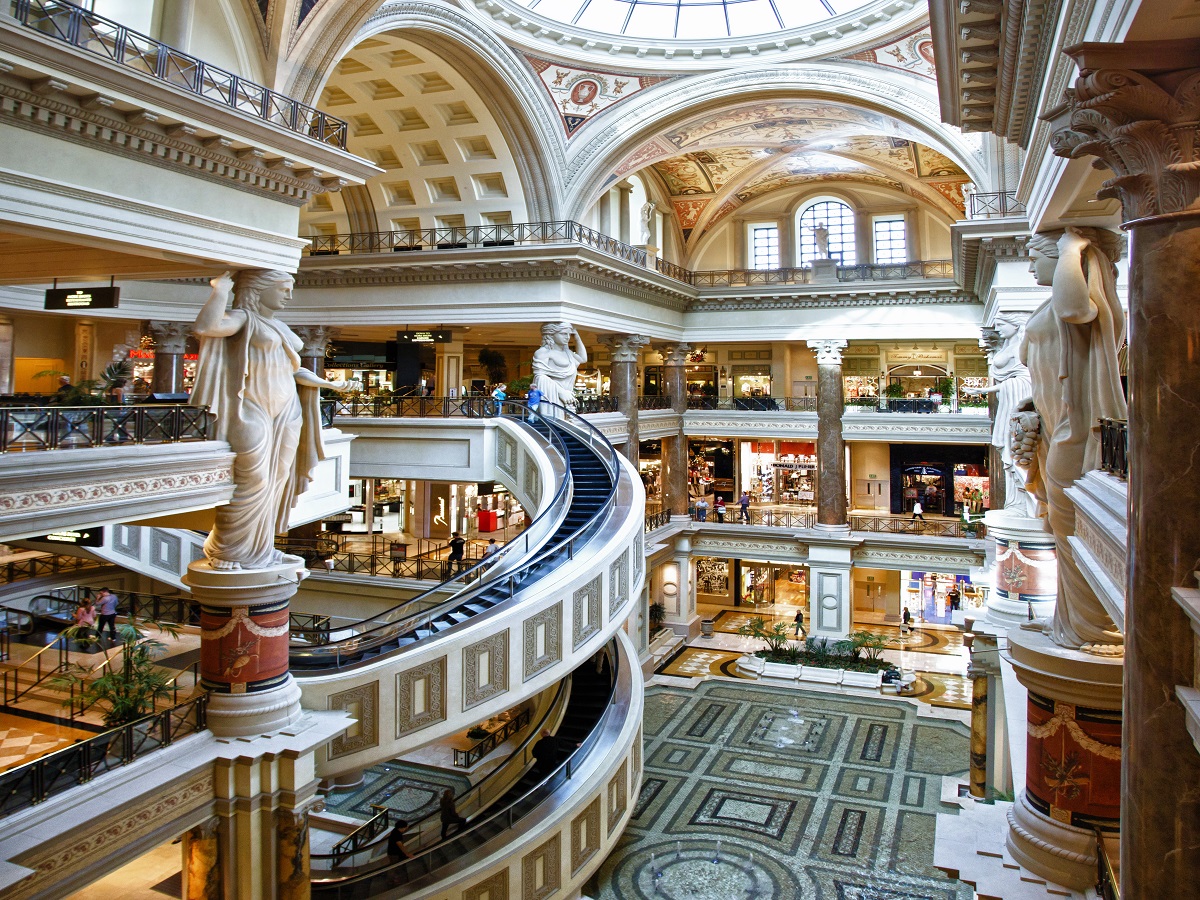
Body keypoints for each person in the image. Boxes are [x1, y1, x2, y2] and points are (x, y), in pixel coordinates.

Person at [190, 270, 358, 570]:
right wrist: (219, 290)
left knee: (277, 482)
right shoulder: (243, 317)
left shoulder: (278, 325)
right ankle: (227, 550)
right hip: (253, 406)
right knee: (253, 480)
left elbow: (293, 370)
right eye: (283, 288)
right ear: (258, 289)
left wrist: (330, 385)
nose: (289, 295)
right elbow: (207, 327)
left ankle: (261, 549)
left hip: (287, 410)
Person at [1014, 227, 1126, 649]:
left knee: (1072, 525)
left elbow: (1077, 309)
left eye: (1036, 256)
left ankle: (1092, 626)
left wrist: (1070, 250)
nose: (1030, 265)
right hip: (1053, 422)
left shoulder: (1075, 298)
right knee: (1063, 526)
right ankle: (1071, 618)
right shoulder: (1049, 304)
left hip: (1074, 427)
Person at [965, 313, 1033, 513]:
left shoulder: (1022, 346)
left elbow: (1027, 376)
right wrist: (982, 390)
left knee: (1013, 440)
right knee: (1008, 443)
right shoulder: (1008, 346)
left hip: (1018, 393)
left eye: (1003, 325)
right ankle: (1015, 500)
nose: (1000, 329)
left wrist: (984, 390)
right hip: (1009, 394)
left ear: (1015, 326)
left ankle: (1024, 499)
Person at [531, 323, 587, 413]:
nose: (568, 337)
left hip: (568, 395)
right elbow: (539, 377)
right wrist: (561, 392)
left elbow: (583, 359)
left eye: (569, 334)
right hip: (553, 396)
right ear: (551, 334)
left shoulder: (568, 353)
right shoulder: (543, 353)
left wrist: (577, 337)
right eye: (564, 334)